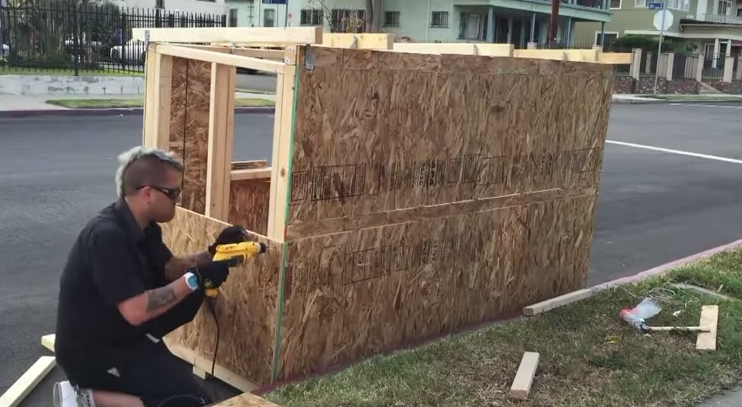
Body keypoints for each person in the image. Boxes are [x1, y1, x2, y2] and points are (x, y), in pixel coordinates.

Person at [53, 146, 248, 407]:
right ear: (147, 193)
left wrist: (214, 252)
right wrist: (197, 279)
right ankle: (86, 397)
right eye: (173, 193)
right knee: (185, 402)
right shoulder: (106, 236)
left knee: (193, 397)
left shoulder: (144, 227)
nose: (178, 200)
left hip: (125, 336)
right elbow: (136, 310)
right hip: (93, 353)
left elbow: (172, 268)